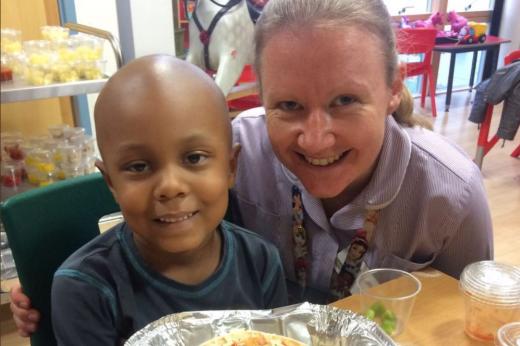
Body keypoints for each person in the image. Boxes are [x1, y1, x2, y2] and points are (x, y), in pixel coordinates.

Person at [10, 0, 493, 335]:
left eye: (346, 100)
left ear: (392, 88)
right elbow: (143, 200)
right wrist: (45, 289)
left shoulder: (452, 195)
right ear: (260, 98)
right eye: (288, 105)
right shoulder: (228, 147)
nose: (316, 137)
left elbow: (473, 317)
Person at [17, 55, 288, 344]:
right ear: (110, 182)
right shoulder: (86, 289)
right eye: (139, 167)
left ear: (230, 168)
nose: (170, 187)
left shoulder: (260, 260)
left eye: (194, 158)